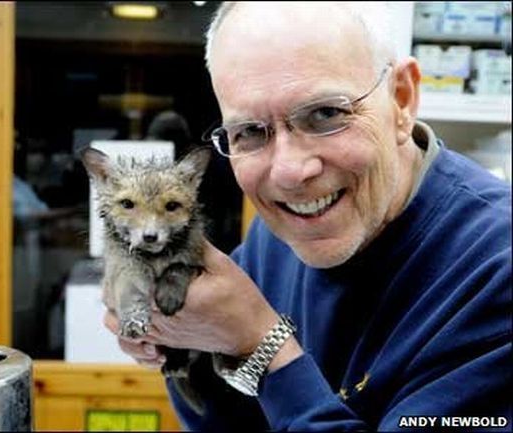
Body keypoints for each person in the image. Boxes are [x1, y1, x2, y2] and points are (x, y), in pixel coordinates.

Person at [103, 2, 512, 431]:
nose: (289, 173)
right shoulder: (280, 233)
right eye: (250, 132)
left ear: (402, 99)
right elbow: (223, 420)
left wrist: (265, 348)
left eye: (326, 114)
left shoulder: (495, 271)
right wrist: (181, 345)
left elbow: (262, 360)